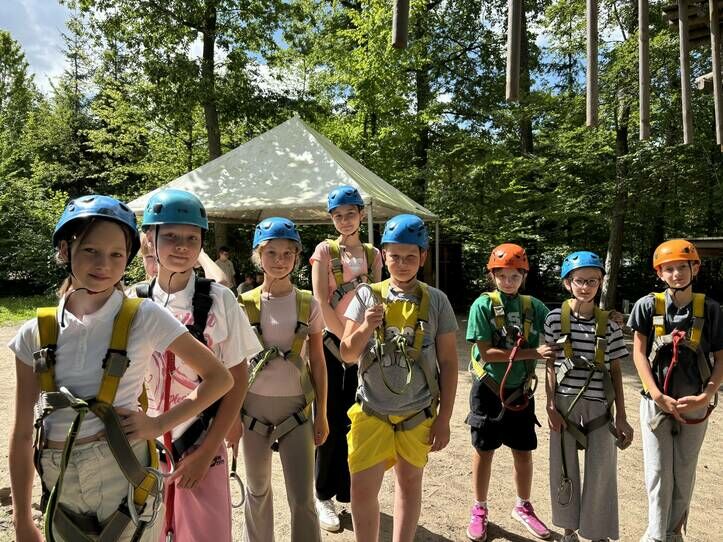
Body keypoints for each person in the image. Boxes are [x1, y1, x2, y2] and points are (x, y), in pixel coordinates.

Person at [8, 194, 233, 542]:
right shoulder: (35, 332)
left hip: (124, 476)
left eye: (117, 254)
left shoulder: (143, 315)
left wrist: (159, 424)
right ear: (65, 250)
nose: (104, 264)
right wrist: (23, 518)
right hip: (60, 482)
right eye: (90, 251)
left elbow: (220, 378)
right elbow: (23, 432)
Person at [137, 188, 261, 542]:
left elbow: (238, 378)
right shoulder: (134, 303)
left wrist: (207, 452)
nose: (181, 246)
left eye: (191, 238)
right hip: (146, 449)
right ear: (150, 239)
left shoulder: (220, 300)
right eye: (170, 236)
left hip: (201, 441)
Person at [340, 214, 458, 542]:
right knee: (362, 489)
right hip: (371, 411)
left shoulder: (436, 301)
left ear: (423, 256)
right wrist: (367, 326)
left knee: (409, 484)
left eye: (410, 257)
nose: (402, 264)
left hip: (417, 412)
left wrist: (444, 418)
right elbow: (347, 353)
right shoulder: (367, 295)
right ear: (383, 256)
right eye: (395, 256)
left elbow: (449, 362)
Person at [239, 216, 329, 542]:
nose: (279, 260)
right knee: (257, 490)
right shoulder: (243, 304)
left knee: (302, 497)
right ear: (258, 256)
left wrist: (322, 414)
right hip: (251, 410)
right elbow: (235, 365)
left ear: (297, 257)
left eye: (287, 254)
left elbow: (318, 362)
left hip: (297, 409)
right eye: (271, 253)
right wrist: (231, 418)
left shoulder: (308, 304)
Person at [627, 240, 723, 542]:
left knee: (684, 470)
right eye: (669, 269)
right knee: (657, 471)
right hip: (656, 402)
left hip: (695, 401)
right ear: (659, 273)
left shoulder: (711, 309)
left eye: (683, 266)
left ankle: (673, 532)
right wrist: (656, 395)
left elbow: (721, 358)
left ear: (696, 268)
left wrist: (706, 395)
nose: (677, 273)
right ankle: (656, 535)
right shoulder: (647, 306)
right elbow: (639, 353)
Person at [465, 243, 554, 541]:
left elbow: (561, 323)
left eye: (515, 276)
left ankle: (523, 506)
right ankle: (479, 508)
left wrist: (599, 317)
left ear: (524, 276)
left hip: (521, 391)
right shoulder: (483, 306)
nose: (508, 281)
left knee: (523, 451)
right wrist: (534, 353)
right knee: (484, 450)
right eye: (502, 275)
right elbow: (487, 354)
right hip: (488, 388)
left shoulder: (533, 307)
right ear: (492, 275)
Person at [544, 251, 633, 542]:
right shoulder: (554, 319)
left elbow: (616, 371)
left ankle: (597, 531)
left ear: (600, 283)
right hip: (565, 403)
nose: (585, 286)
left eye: (592, 281)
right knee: (563, 465)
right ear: (567, 283)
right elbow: (549, 364)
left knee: (601, 470)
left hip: (599, 404)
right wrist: (550, 406)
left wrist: (622, 416)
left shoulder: (611, 325)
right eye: (579, 281)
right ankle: (568, 529)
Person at [310, 185, 382, 531]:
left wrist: (360, 342)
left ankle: (347, 490)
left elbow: (376, 297)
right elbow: (320, 300)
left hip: (361, 346)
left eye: (350, 215)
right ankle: (323, 493)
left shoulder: (373, 254)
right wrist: (345, 341)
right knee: (329, 418)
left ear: (361, 215)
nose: (344, 221)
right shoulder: (325, 251)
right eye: (338, 216)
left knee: (358, 421)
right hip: (332, 343)